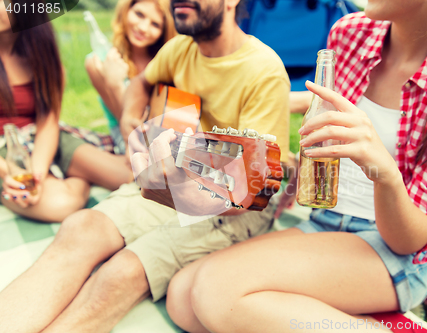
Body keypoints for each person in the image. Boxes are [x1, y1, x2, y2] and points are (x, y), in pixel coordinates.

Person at [164, 0, 427, 332]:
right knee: (182, 296)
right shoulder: (351, 33)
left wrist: (385, 174)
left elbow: (410, 241)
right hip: (325, 222)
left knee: (218, 290)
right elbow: (321, 106)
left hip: (397, 251)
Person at [0, 0, 290, 330]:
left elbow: (246, 195)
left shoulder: (264, 71)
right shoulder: (180, 48)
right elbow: (139, 84)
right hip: (179, 179)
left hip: (234, 206)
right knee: (80, 228)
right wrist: (129, 122)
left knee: (123, 271)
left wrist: (176, 191)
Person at [0, 0, 133, 223]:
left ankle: (70, 174)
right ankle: (78, 179)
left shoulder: (42, 56)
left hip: (44, 136)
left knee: (131, 176)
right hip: (5, 148)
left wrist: (38, 174)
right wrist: (8, 173)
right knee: (61, 204)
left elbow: (48, 121)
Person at [85, 0, 176, 155]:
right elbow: (127, 125)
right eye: (139, 14)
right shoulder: (98, 61)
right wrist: (115, 85)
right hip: (128, 142)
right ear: (126, 10)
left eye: (155, 24)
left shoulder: (163, 61)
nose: (143, 28)